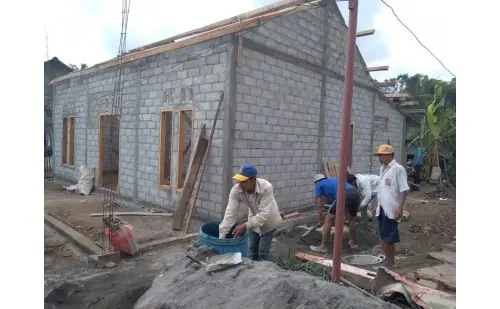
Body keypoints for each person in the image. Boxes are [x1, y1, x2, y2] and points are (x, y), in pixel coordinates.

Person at [219, 164, 282, 261]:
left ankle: (263, 273)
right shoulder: (236, 190)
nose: (240, 184)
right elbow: (230, 214)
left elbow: (263, 215)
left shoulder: (266, 188)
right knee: (252, 250)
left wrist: (245, 225)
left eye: (243, 181)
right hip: (253, 219)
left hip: (269, 221)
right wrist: (221, 238)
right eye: (239, 180)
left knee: (262, 252)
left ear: (253, 180)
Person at [375, 144, 409, 269]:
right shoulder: (383, 169)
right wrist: (377, 206)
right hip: (382, 208)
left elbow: (404, 190)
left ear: (390, 155)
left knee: (389, 237)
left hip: (392, 209)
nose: (380, 158)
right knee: (383, 236)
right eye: (379, 155)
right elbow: (382, 190)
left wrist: (400, 208)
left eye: (382, 155)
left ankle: (391, 262)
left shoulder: (398, 169)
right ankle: (387, 260)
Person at [309, 174, 361, 253]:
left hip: (344, 194)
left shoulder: (318, 184)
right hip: (355, 192)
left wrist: (320, 219)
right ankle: (353, 243)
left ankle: (323, 247)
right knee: (351, 219)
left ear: (316, 182)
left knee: (328, 220)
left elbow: (319, 204)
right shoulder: (332, 180)